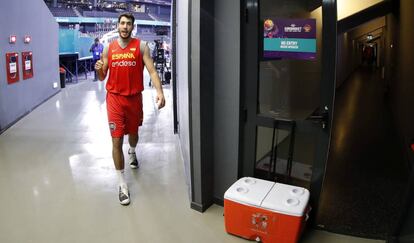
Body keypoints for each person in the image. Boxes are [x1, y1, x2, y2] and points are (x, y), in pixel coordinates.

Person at [95, 13, 166, 205]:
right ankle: (122, 184)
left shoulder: (141, 46)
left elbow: (152, 70)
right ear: (118, 26)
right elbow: (102, 77)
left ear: (132, 27)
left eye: (128, 24)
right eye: (122, 23)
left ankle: (133, 151)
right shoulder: (109, 48)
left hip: (134, 99)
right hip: (114, 100)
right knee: (116, 140)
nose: (125, 26)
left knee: (133, 135)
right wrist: (98, 68)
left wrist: (160, 92)